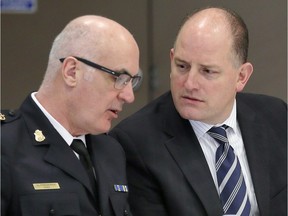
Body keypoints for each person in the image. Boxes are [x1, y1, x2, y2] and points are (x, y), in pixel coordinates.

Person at [110, 6, 287, 216]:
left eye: (207, 71)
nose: (190, 83)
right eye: (182, 66)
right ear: (172, 58)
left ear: (241, 76)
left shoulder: (276, 115)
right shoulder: (136, 143)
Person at [1, 15, 141, 216]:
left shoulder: (111, 151)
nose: (129, 96)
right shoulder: (6, 146)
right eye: (119, 78)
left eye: (132, 81)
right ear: (72, 71)